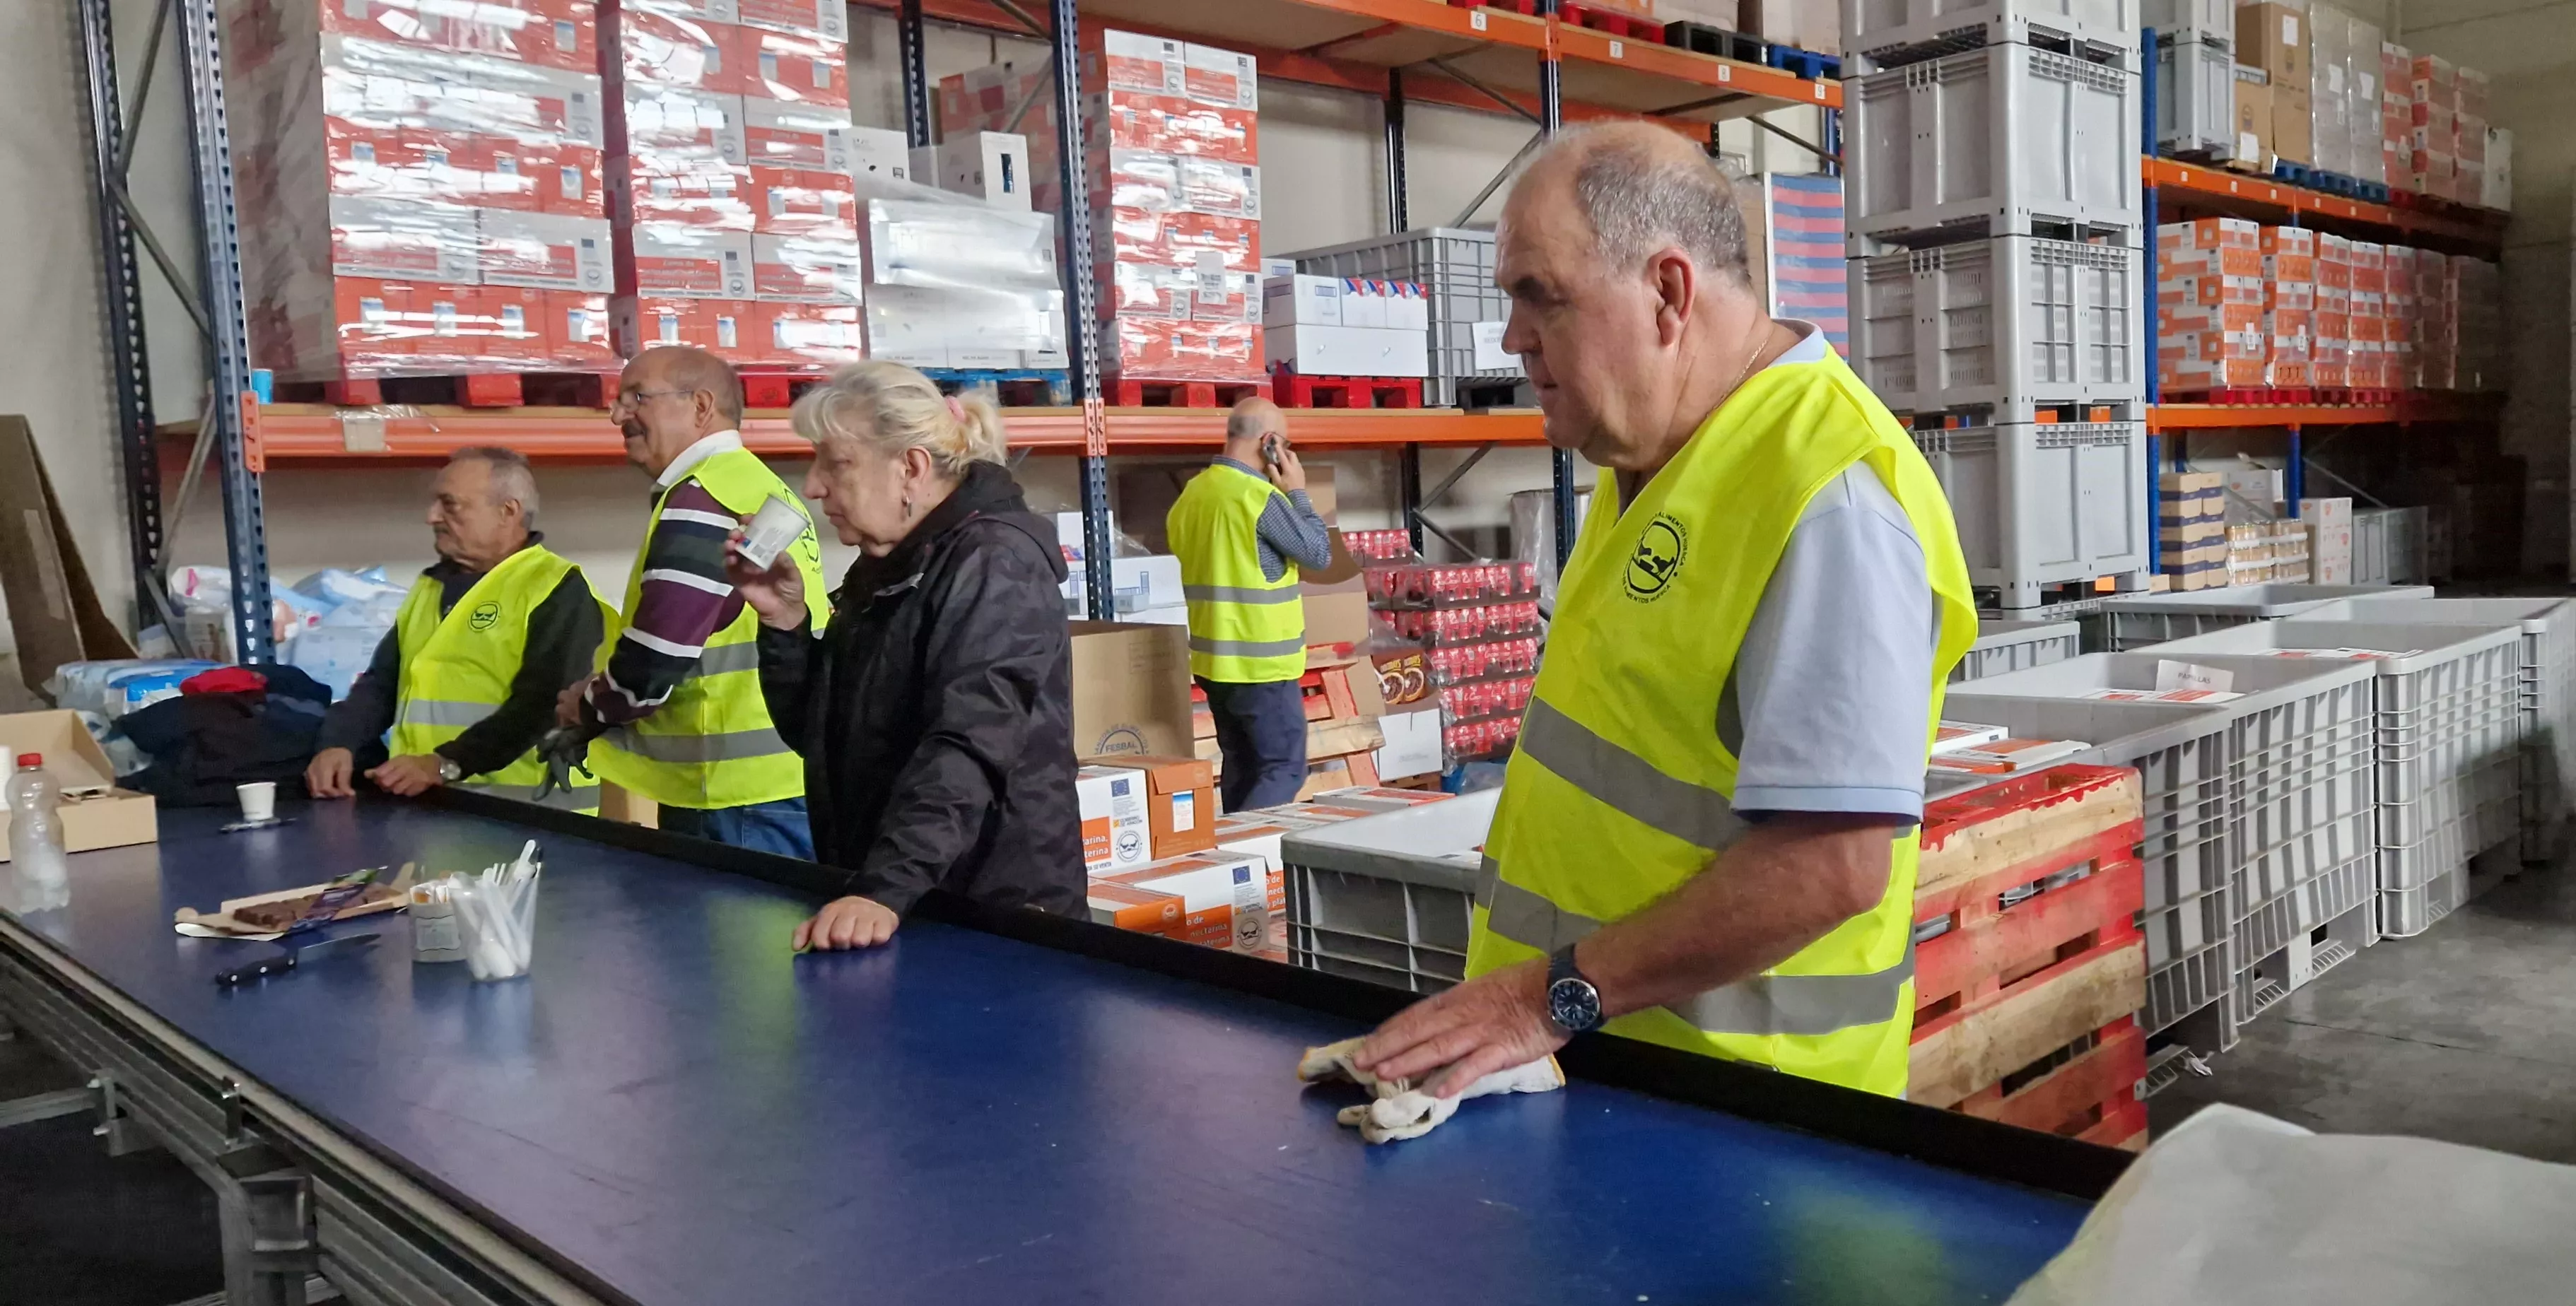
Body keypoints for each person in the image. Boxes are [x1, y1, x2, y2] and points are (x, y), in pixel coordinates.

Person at [1354, 122, 1978, 1102]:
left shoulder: (1832, 497)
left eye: (1540, 297)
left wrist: (1543, 1001)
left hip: (1749, 1122)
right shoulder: (1651, 455)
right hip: (1613, 1081)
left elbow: (1834, 867)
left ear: (1668, 294)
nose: (1514, 339)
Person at [727, 360, 1083, 951]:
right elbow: (827, 738)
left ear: (911, 469)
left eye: (835, 463)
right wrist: (785, 622)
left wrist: (883, 890)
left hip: (990, 919)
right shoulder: (890, 567)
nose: (812, 486)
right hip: (898, 894)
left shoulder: (995, 562)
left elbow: (968, 742)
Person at [558, 345, 830, 857]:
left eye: (637, 397)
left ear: (701, 406)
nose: (618, 415)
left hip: (731, 798)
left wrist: (589, 709)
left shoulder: (704, 497)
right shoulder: (756, 486)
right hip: (775, 783)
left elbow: (657, 657)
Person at [305, 447, 607, 807]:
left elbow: (541, 707)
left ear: (507, 512)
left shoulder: (556, 589)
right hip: (436, 807)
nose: (431, 517)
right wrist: (339, 743)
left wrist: (446, 763)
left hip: (530, 817)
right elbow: (382, 684)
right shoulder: (431, 588)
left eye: (450, 504)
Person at [1166, 397, 1335, 812]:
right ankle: (1251, 858)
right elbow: (1319, 554)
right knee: (1282, 770)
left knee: (1242, 768)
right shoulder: (1257, 498)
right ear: (1270, 443)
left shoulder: (1193, 493)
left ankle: (1232, 863)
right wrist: (1298, 492)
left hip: (1215, 665)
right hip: (1262, 667)